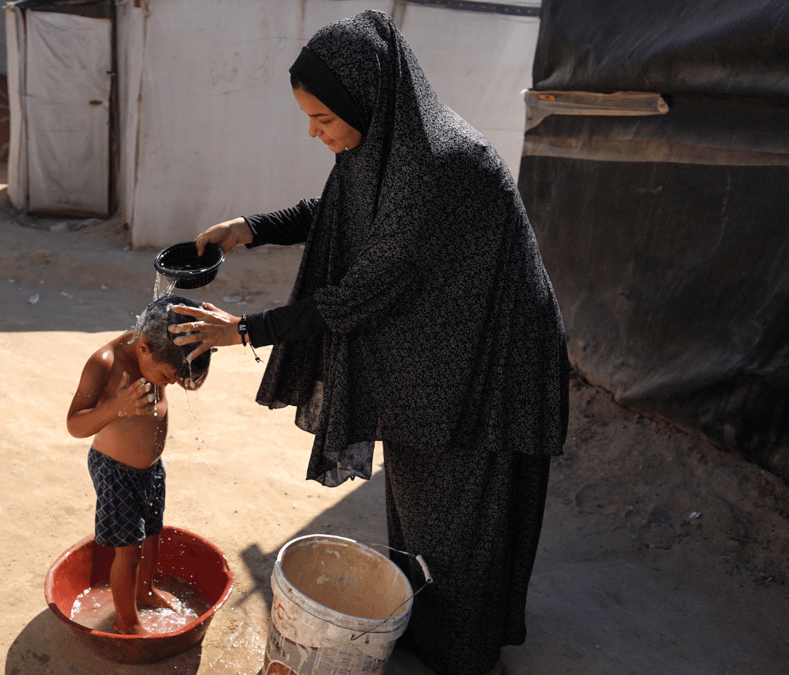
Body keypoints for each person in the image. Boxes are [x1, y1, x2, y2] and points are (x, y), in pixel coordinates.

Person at [168, 11, 568, 675]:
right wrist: (251, 228)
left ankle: (466, 652)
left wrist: (239, 330)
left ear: (365, 101)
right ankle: (423, 618)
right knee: (418, 501)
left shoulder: (437, 168)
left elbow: (353, 298)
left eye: (323, 119)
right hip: (435, 349)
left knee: (466, 510)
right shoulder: (382, 146)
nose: (314, 133)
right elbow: (339, 216)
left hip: (493, 359)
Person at [65, 295, 212, 635]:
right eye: (166, 377)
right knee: (128, 552)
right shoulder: (105, 362)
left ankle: (144, 590)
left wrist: (193, 368)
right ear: (144, 347)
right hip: (114, 470)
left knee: (152, 536)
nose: (170, 384)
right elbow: (75, 425)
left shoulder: (162, 348)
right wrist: (115, 408)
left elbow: (178, 366)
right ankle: (126, 620)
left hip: (150, 469)